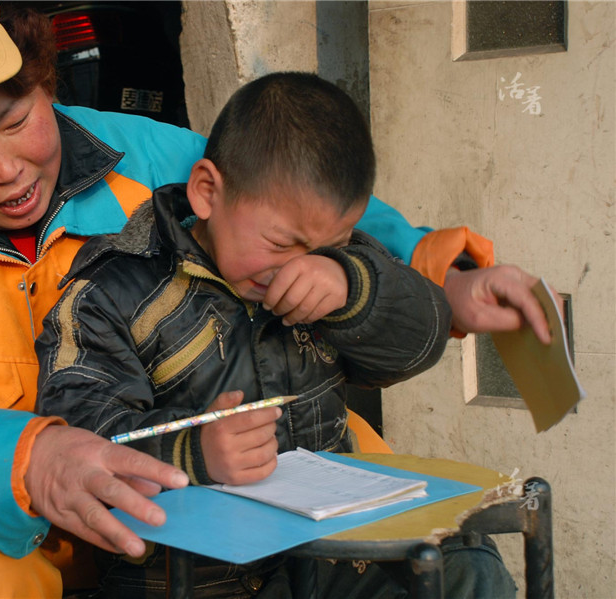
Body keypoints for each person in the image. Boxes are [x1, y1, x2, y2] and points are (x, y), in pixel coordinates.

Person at [0, 1, 538, 596]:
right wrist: (21, 458)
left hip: (163, 468)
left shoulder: (147, 156)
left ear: (47, 82)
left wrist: (436, 271)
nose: (6, 169)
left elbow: (287, 197)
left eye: (17, 121)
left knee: (407, 516)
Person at [35, 72, 514, 598]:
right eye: (282, 243)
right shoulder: (110, 293)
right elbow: (79, 431)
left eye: (328, 245)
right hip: (185, 576)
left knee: (463, 561)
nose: (299, 268)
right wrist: (193, 451)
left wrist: (354, 287)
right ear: (207, 192)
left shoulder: (336, 271)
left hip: (324, 549)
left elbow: (415, 344)